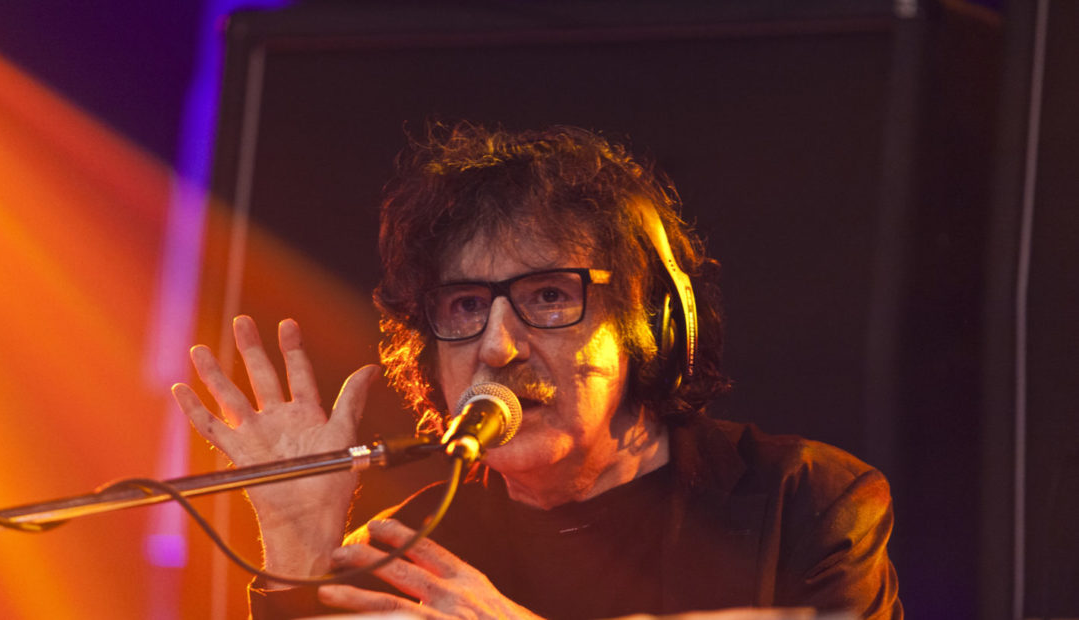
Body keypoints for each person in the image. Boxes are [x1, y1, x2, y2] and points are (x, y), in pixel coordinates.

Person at [171, 123, 902, 619]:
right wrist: (299, 549)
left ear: (647, 323)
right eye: (464, 305)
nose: (498, 347)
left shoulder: (806, 503)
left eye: (549, 296)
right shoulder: (410, 548)